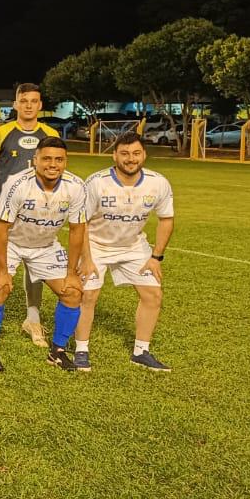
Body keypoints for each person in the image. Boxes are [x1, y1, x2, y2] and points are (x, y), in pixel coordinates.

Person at [76, 132, 174, 372]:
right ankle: (81, 350)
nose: (131, 159)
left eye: (136, 153)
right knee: (88, 296)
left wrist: (156, 257)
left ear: (144, 155)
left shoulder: (157, 182)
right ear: (115, 156)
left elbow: (166, 219)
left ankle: (141, 351)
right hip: (96, 245)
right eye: (125, 154)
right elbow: (81, 223)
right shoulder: (96, 182)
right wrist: (87, 259)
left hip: (133, 246)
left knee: (153, 295)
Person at [0, 137, 86, 371]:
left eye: (59, 159)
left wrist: (72, 273)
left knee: (72, 292)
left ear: (66, 162)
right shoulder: (18, 183)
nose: (53, 164)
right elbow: (1, 229)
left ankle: (57, 351)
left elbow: (76, 230)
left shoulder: (76, 187)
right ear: (35, 160)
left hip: (45, 245)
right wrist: (2, 271)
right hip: (11, 242)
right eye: (47, 158)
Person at [0, 83, 59, 346]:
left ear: (40, 105)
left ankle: (33, 319)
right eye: (23, 100)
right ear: (15, 104)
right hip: (6, 215)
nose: (28, 105)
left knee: (35, 265)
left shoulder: (50, 132)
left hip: (40, 213)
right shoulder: (0, 132)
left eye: (34, 101)